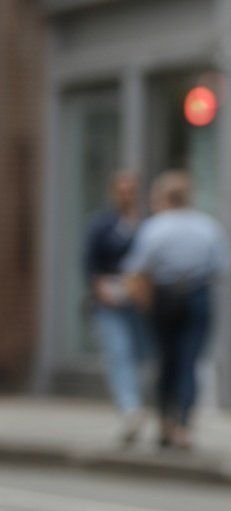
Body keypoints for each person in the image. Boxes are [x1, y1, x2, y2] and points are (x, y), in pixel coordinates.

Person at [122, 171, 231, 450]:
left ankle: (164, 423)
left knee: (166, 362)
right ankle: (183, 424)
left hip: (164, 297)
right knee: (190, 361)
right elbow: (220, 267)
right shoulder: (208, 227)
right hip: (197, 295)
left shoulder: (155, 228)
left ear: (163, 198)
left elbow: (137, 269)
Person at [83, 169, 148, 446]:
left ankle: (135, 402)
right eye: (122, 191)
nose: (126, 196)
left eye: (131, 191)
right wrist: (101, 289)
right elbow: (90, 265)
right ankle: (130, 409)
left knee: (140, 356)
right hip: (109, 302)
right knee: (118, 352)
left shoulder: (145, 225)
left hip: (138, 304)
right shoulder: (101, 225)